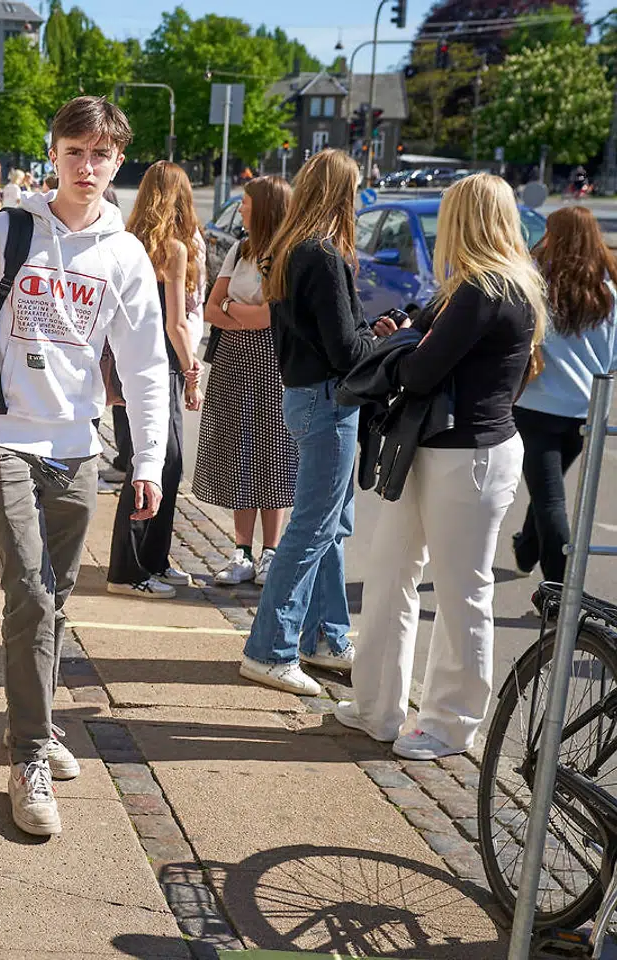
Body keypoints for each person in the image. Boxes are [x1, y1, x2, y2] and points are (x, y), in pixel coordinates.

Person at [0, 96, 168, 836]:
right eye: (75, 153)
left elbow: (147, 367)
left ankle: (30, 724)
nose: (87, 168)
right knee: (30, 591)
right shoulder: (5, 234)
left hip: (77, 447)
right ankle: (29, 752)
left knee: (56, 599)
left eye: (100, 156)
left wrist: (147, 460)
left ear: (116, 162)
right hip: (4, 443)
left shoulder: (123, 255)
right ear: (53, 154)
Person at [339, 174, 543, 760]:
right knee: (390, 574)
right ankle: (377, 705)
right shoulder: (474, 289)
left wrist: (404, 343)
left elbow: (421, 371)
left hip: (470, 456)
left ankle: (452, 723)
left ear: (463, 220)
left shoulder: (487, 289)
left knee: (460, 591)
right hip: (438, 451)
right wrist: (410, 339)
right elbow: (421, 351)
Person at [239, 149, 377, 696]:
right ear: (341, 193)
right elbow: (345, 348)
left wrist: (368, 335)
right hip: (327, 399)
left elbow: (329, 335)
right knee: (315, 527)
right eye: (357, 191)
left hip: (307, 395)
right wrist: (380, 342)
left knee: (330, 524)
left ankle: (326, 635)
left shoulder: (291, 250)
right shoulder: (320, 253)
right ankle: (270, 648)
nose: (361, 201)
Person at [194, 176, 299, 586]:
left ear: (267, 207)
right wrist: (241, 312)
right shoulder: (240, 249)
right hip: (233, 364)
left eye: (247, 204)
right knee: (238, 453)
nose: (240, 209)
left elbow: (268, 318)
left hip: (274, 367)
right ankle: (241, 551)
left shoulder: (288, 257)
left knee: (272, 456)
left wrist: (232, 309)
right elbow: (209, 309)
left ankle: (271, 552)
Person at [106, 161, 205, 599]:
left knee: (156, 463)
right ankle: (128, 570)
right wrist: (192, 371)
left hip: (128, 362)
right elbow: (176, 323)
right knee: (156, 465)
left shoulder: (128, 242)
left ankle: (154, 560)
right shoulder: (173, 249)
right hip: (158, 364)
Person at [512, 206, 617, 581]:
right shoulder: (608, 292)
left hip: (535, 406)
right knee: (548, 488)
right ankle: (526, 548)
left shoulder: (537, 281)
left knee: (549, 496)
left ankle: (560, 592)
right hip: (586, 412)